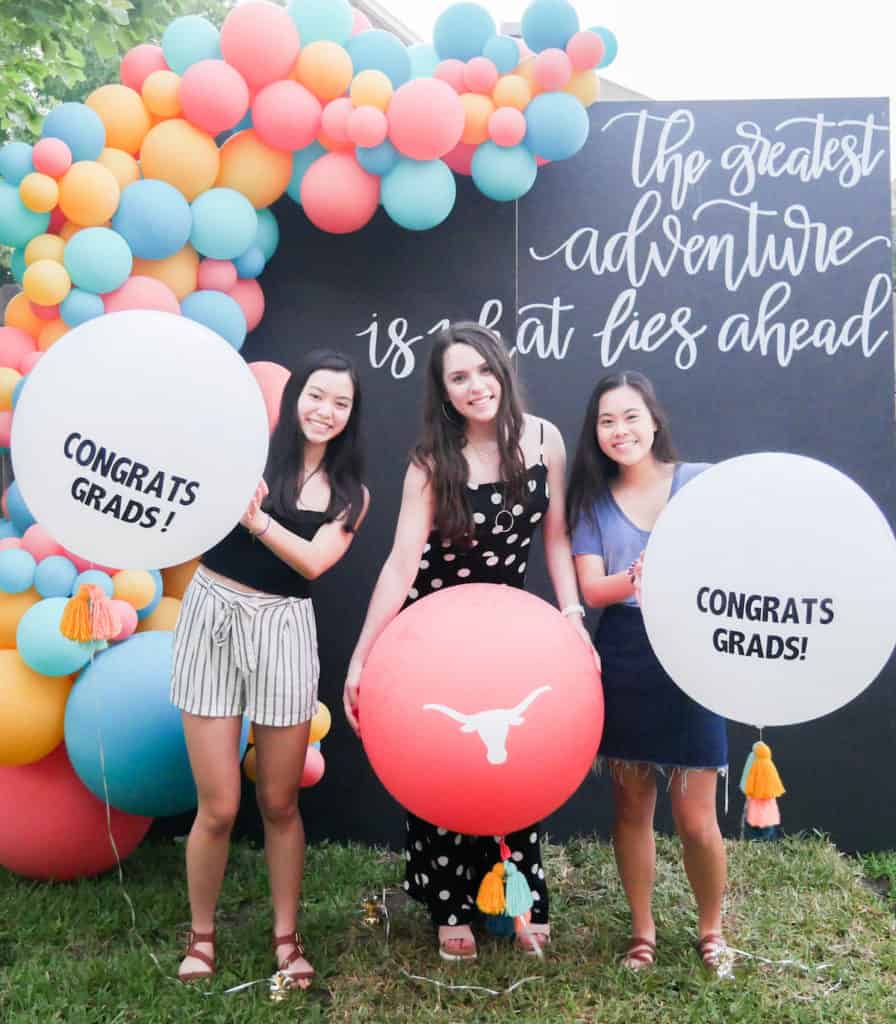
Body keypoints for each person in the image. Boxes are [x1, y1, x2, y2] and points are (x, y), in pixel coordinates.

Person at [342, 321, 597, 962]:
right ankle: (451, 905)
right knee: (445, 765)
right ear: (444, 391)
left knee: (513, 761)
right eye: (459, 377)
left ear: (503, 371)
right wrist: (362, 655)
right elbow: (402, 564)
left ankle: (520, 897)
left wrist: (571, 614)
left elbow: (557, 538)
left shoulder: (545, 440)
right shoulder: (432, 462)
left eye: (484, 370)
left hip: (510, 629)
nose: (475, 386)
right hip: (435, 634)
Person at [170, 350, 368, 986]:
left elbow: (312, 563)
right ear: (294, 399)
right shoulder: (246, 454)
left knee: (279, 802)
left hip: (284, 627)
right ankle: (201, 937)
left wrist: (255, 521)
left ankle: (287, 938)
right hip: (211, 612)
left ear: (352, 415)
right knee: (219, 806)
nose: (325, 411)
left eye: (341, 403)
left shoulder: (351, 493)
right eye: (316, 396)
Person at [566, 370, 728, 971]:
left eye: (630, 416)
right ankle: (643, 932)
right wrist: (640, 576)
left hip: (693, 653)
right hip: (628, 654)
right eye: (607, 420)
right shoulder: (591, 499)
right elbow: (590, 587)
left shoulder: (702, 483)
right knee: (632, 809)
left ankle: (711, 929)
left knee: (696, 819)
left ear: (654, 420)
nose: (619, 430)